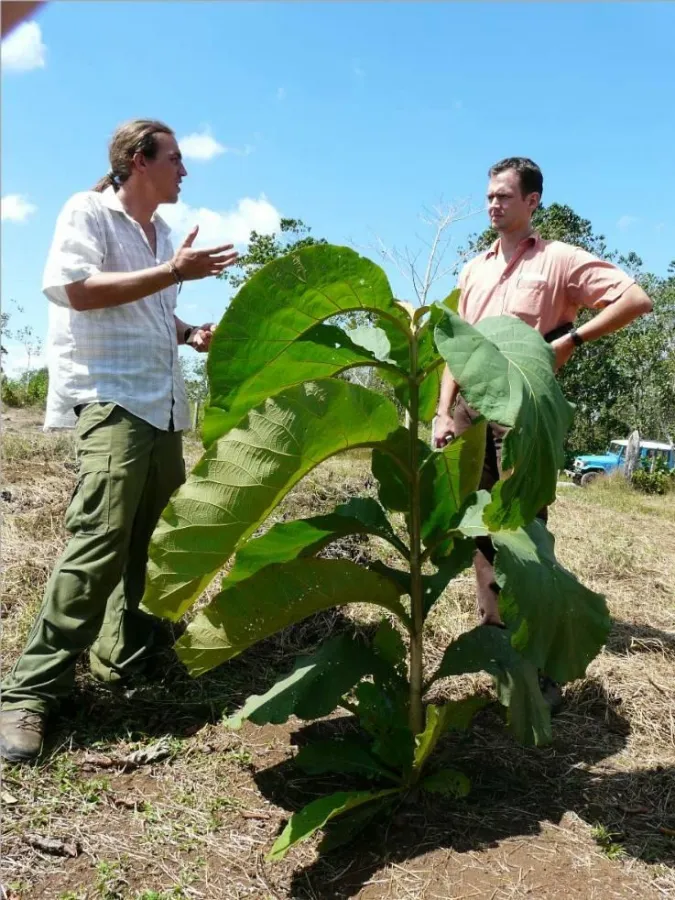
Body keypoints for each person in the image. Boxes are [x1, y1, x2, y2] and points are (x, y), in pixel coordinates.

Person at [0, 119, 238, 762]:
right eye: (175, 159)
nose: (184, 171)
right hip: (112, 398)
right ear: (139, 160)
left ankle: (127, 655)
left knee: (156, 537)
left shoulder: (159, 233)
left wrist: (188, 333)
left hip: (161, 405)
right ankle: (31, 693)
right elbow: (76, 291)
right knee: (101, 538)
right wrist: (173, 271)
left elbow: (147, 308)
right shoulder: (88, 212)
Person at [433, 157, 652, 682]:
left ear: (532, 202)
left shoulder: (558, 260)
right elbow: (457, 348)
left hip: (524, 414)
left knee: (524, 527)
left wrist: (570, 341)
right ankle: (494, 637)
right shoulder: (474, 267)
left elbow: (636, 298)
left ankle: (535, 655)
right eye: (489, 195)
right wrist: (442, 411)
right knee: (478, 524)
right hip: (470, 412)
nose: (493, 203)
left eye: (505, 196)